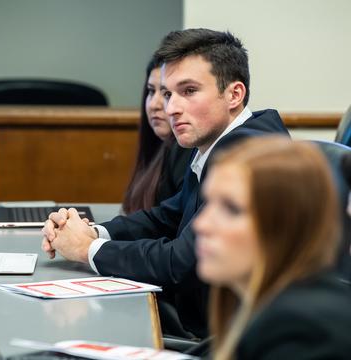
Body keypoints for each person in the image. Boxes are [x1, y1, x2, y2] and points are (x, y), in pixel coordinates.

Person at [41, 28, 289, 338]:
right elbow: (166, 217)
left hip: (224, 339)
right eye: (168, 93)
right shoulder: (217, 145)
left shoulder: (245, 155)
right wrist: (92, 231)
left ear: (234, 95)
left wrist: (88, 249)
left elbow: (181, 262)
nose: (170, 108)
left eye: (189, 91)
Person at [193, 136, 351, 360]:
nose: (202, 224)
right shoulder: (255, 305)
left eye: (231, 209)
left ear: (287, 224)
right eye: (209, 203)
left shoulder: (303, 330)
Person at [122, 56, 192, 214]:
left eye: (166, 93)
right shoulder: (156, 146)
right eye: (151, 91)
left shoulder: (187, 150)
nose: (154, 104)